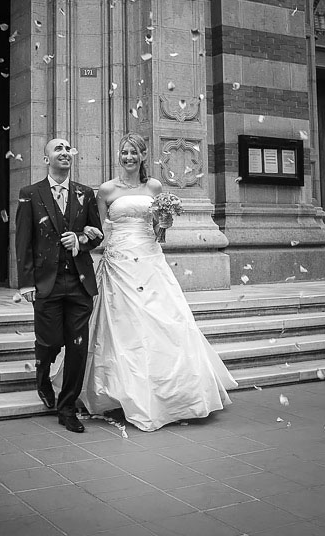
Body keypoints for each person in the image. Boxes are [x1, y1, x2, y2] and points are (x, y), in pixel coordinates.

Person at [82, 133, 237, 432]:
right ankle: (118, 392)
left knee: (163, 318)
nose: (128, 157)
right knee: (123, 324)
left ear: (142, 156)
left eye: (134, 153)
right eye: (124, 152)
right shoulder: (105, 190)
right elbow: (103, 231)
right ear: (119, 155)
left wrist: (164, 224)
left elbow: (158, 233)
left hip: (150, 259)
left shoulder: (153, 186)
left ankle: (172, 395)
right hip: (119, 262)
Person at [15, 138, 103, 433]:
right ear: (46, 159)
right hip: (46, 282)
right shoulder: (30, 194)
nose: (65, 153)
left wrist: (81, 238)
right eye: (58, 149)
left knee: (78, 348)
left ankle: (67, 408)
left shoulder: (85, 193)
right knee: (50, 341)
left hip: (79, 283)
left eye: (68, 149)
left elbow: (97, 234)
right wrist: (26, 283)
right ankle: (43, 378)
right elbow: (23, 241)